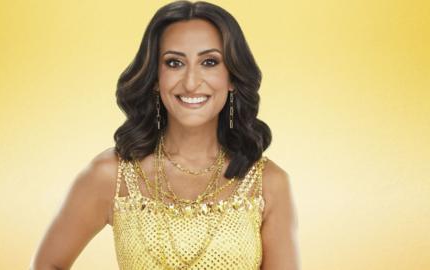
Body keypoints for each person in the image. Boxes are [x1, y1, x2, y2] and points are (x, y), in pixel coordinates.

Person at [30, 1, 300, 269]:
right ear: (155, 78)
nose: (191, 82)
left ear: (231, 78)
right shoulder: (113, 175)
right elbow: (46, 264)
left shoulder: (267, 184)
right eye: (174, 63)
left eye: (209, 62)